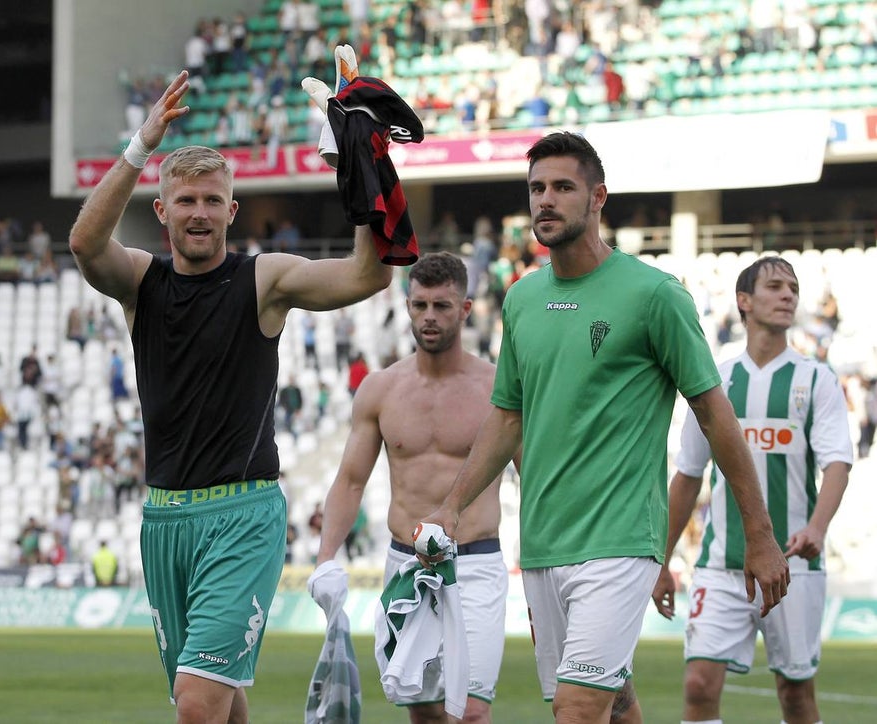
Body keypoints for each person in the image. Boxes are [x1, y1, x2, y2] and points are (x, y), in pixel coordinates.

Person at [418, 132, 790, 724]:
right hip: (543, 541)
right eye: (537, 188)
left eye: (563, 187)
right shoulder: (521, 299)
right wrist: (452, 506)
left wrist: (760, 533)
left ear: (598, 198)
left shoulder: (655, 295)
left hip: (621, 539)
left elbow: (714, 414)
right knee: (616, 705)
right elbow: (507, 416)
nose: (545, 199)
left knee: (577, 710)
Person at [67, 69, 391, 723]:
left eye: (213, 200)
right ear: (162, 211)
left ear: (232, 211)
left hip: (243, 517)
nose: (200, 213)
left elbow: (368, 275)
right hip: (164, 521)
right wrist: (142, 145)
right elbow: (84, 243)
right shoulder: (142, 282)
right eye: (186, 200)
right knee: (221, 703)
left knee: (196, 704)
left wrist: (361, 166)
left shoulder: (262, 279)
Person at [652, 256, 853, 724]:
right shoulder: (715, 381)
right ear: (743, 300)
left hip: (793, 564)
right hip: (720, 565)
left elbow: (837, 464)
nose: (788, 295)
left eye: (793, 288)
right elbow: (688, 475)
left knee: (795, 695)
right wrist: (661, 559)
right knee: (698, 686)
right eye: (775, 286)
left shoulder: (815, 378)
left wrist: (817, 528)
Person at [309, 252, 507, 723]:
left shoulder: (497, 388)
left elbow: (534, 478)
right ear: (407, 306)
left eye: (442, 306)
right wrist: (325, 558)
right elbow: (351, 481)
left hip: (475, 562)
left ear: (465, 309)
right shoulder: (381, 389)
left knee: (471, 712)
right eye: (420, 305)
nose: (429, 316)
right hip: (405, 563)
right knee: (424, 711)